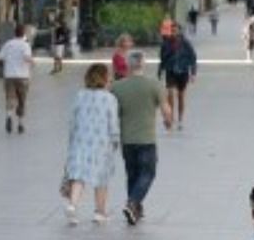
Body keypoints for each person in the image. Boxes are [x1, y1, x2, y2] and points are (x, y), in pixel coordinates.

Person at [111, 51, 174, 225]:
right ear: (143, 64)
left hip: (127, 139)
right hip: (146, 139)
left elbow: (111, 113)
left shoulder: (116, 87)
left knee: (132, 174)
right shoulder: (154, 85)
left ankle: (136, 209)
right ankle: (132, 203)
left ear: (128, 65)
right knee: (148, 173)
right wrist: (169, 122)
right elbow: (166, 109)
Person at [61, 63, 120, 226]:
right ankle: (99, 213)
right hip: (101, 144)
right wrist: (115, 141)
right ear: (105, 78)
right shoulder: (110, 99)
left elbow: (72, 120)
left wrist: (71, 139)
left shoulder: (80, 95)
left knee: (78, 176)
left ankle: (72, 206)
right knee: (101, 178)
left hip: (80, 141)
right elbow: (113, 123)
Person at [157, 26, 198, 130]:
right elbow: (162, 59)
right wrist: (160, 72)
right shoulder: (166, 44)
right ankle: (171, 117)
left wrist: (193, 73)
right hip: (170, 71)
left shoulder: (186, 43)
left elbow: (193, 58)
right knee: (170, 93)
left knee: (180, 96)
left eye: (175, 31)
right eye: (172, 31)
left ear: (179, 31)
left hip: (183, 71)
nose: (173, 33)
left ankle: (180, 120)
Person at [0, 24, 34, 134]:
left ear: (15, 33)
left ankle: (9, 116)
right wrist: (32, 62)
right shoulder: (25, 45)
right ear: (23, 33)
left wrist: (10, 59)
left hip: (9, 75)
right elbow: (26, 57)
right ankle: (20, 124)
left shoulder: (8, 44)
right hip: (23, 77)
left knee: (10, 98)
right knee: (21, 101)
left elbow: (0, 57)